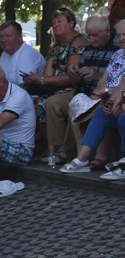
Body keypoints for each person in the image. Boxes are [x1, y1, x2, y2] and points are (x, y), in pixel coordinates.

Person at [44, 14, 114, 163]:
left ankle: (68, 152)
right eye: (89, 35)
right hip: (82, 91)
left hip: (103, 94)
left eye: (95, 35)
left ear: (107, 31)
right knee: (53, 103)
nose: (92, 39)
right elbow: (78, 78)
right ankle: (55, 149)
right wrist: (74, 73)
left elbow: (117, 79)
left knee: (75, 105)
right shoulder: (88, 50)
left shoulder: (117, 50)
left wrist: (96, 75)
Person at [60, 19, 125, 179]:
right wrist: (105, 97)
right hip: (113, 97)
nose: (122, 38)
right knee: (100, 113)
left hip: (120, 100)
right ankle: (82, 158)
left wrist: (114, 99)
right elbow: (105, 79)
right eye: (120, 35)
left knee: (122, 115)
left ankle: (119, 163)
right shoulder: (119, 54)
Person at [22, 6, 87, 125]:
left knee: (37, 102)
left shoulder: (78, 42)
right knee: (19, 92)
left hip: (71, 89)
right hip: (53, 87)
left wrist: (41, 80)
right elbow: (48, 73)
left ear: (71, 23)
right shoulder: (56, 45)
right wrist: (33, 79)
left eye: (60, 21)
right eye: (53, 22)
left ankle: (50, 142)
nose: (55, 25)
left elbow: (71, 78)